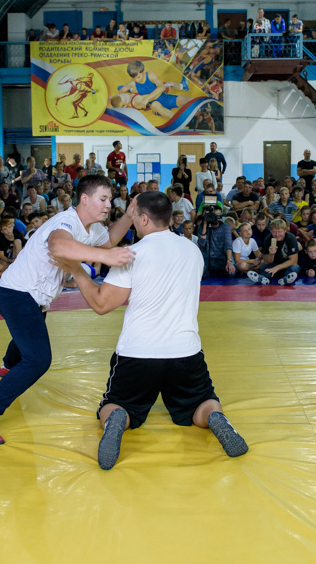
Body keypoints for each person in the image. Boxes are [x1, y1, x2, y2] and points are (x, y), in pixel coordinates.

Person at [53, 191, 247, 469]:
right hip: (185, 352)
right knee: (202, 402)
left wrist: (77, 269)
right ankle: (216, 418)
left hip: (137, 353)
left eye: (134, 217)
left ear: (144, 218)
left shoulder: (132, 254)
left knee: (116, 404)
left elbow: (101, 304)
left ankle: (117, 418)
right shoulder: (192, 250)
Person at [0, 175, 136, 446]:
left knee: (24, 342)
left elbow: (109, 240)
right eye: (103, 199)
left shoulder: (90, 228)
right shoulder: (65, 222)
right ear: (85, 199)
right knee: (38, 360)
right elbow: (58, 245)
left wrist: (128, 216)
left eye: (109, 200)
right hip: (17, 294)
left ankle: (8, 368)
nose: (107, 205)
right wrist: (105, 258)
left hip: (32, 298)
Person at [249, 218, 299, 285]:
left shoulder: (290, 238)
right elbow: (267, 261)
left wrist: (276, 268)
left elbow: (293, 261)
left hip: (286, 265)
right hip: (273, 264)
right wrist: (271, 254)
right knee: (263, 266)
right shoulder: (268, 239)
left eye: (280, 232)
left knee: (295, 267)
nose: (277, 235)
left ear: (285, 231)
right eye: (274, 232)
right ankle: (263, 278)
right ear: (271, 231)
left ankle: (285, 279)